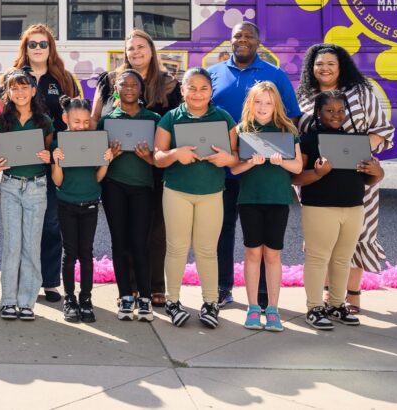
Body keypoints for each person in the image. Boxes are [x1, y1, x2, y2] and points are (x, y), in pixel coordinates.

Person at [297, 43, 394, 314]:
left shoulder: (362, 91)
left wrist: (360, 153)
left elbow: (382, 129)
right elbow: (297, 134)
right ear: (311, 67)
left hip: (357, 176)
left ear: (341, 66)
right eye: (319, 64)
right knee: (322, 242)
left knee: (358, 238)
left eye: (330, 63)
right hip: (318, 178)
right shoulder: (304, 95)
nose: (324, 68)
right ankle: (327, 297)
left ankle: (351, 296)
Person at [209, 21, 300, 309]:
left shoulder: (275, 76)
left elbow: (291, 119)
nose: (243, 40)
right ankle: (223, 288)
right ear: (230, 40)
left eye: (249, 36)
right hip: (225, 169)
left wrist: (279, 152)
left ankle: (263, 295)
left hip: (263, 173)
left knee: (261, 240)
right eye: (238, 36)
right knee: (222, 230)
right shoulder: (214, 73)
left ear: (258, 42)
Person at [90, 29, 180, 306]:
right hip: (117, 168)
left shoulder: (168, 84)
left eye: (141, 47)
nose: (136, 52)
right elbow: (94, 119)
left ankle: (153, 286)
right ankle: (127, 288)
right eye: (131, 48)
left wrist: (159, 155)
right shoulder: (110, 80)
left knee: (154, 230)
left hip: (154, 166)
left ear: (152, 50)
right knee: (123, 231)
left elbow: (176, 123)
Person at [292, 90, 385, 330]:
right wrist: (318, 173)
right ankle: (314, 308)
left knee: (343, 259)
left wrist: (377, 173)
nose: (336, 115)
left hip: (353, 207)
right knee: (318, 258)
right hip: (320, 207)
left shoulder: (355, 141)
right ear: (318, 113)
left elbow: (369, 178)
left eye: (341, 110)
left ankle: (336, 304)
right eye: (329, 110)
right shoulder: (309, 140)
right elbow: (296, 177)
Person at [153, 67, 238, 329]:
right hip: (177, 191)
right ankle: (173, 301)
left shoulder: (223, 118)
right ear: (183, 90)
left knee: (206, 250)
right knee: (177, 248)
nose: (198, 93)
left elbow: (235, 156)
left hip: (211, 193)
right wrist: (176, 153)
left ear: (211, 91)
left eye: (203, 88)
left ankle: (210, 303)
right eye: (192, 88)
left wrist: (227, 159)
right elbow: (157, 157)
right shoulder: (170, 118)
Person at [2, 24, 80, 304]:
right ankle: (24, 281)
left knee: (49, 223)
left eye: (43, 44)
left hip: (55, 158)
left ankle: (49, 280)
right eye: (32, 44)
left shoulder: (64, 79)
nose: (37, 49)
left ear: (51, 48)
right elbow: (3, 119)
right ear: (25, 47)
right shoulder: (10, 79)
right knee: (20, 227)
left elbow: (76, 116)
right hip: (21, 161)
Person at [228, 82, 302, 332]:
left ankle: (272, 308)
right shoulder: (242, 130)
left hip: (278, 199)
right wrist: (250, 163)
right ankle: (252, 308)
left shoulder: (287, 130)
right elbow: (234, 167)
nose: (263, 107)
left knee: (272, 254)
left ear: (276, 106)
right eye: (258, 102)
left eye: (268, 103)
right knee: (252, 253)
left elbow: (298, 167)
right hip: (250, 199)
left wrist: (281, 162)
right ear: (250, 103)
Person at [0, 70, 54, 321]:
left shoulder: (44, 121)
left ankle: (27, 301)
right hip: (10, 186)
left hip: (37, 186)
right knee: (12, 245)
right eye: (14, 88)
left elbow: (50, 152)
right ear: (7, 93)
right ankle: (8, 300)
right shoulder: (2, 121)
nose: (20, 93)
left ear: (33, 90)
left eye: (24, 87)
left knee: (31, 244)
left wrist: (49, 158)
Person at [97, 69, 160, 322]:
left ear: (141, 89)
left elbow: (162, 159)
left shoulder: (154, 119)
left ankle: (144, 297)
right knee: (119, 242)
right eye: (124, 84)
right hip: (114, 187)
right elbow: (98, 159)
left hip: (143, 188)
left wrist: (149, 158)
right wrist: (109, 156)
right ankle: (125, 296)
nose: (130, 88)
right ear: (116, 89)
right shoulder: (106, 120)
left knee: (140, 243)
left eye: (135, 84)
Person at [51, 95, 116, 324]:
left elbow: (98, 178)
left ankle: (86, 299)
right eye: (76, 121)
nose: (81, 126)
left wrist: (106, 161)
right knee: (70, 253)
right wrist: (56, 161)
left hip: (89, 204)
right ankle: (69, 299)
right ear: (65, 118)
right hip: (66, 204)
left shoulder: (96, 141)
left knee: (86, 253)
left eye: (85, 122)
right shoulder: (59, 142)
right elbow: (58, 182)